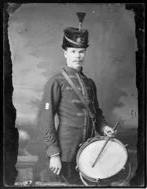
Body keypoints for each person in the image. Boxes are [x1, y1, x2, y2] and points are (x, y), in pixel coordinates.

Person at [38, 12, 114, 185]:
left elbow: (97, 113)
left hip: (89, 149)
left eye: (81, 51)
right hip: (66, 153)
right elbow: (45, 119)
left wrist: (104, 127)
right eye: (73, 51)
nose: (77, 56)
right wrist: (54, 154)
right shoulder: (56, 82)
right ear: (65, 53)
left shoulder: (90, 83)